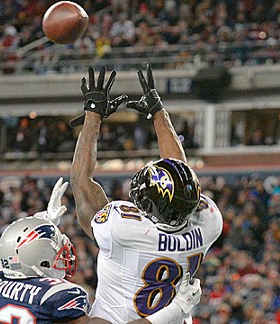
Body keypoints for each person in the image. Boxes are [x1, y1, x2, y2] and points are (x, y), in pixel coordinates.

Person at [69, 65, 223, 322]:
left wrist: (93, 115)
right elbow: (179, 172)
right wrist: (159, 114)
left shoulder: (122, 228)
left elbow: (81, 183)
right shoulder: (209, 222)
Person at [0, 178, 201, 324]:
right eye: (54, 252)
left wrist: (43, 223)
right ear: (38, 261)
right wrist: (176, 309)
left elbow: (11, 255)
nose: (62, 255)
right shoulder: (57, 296)